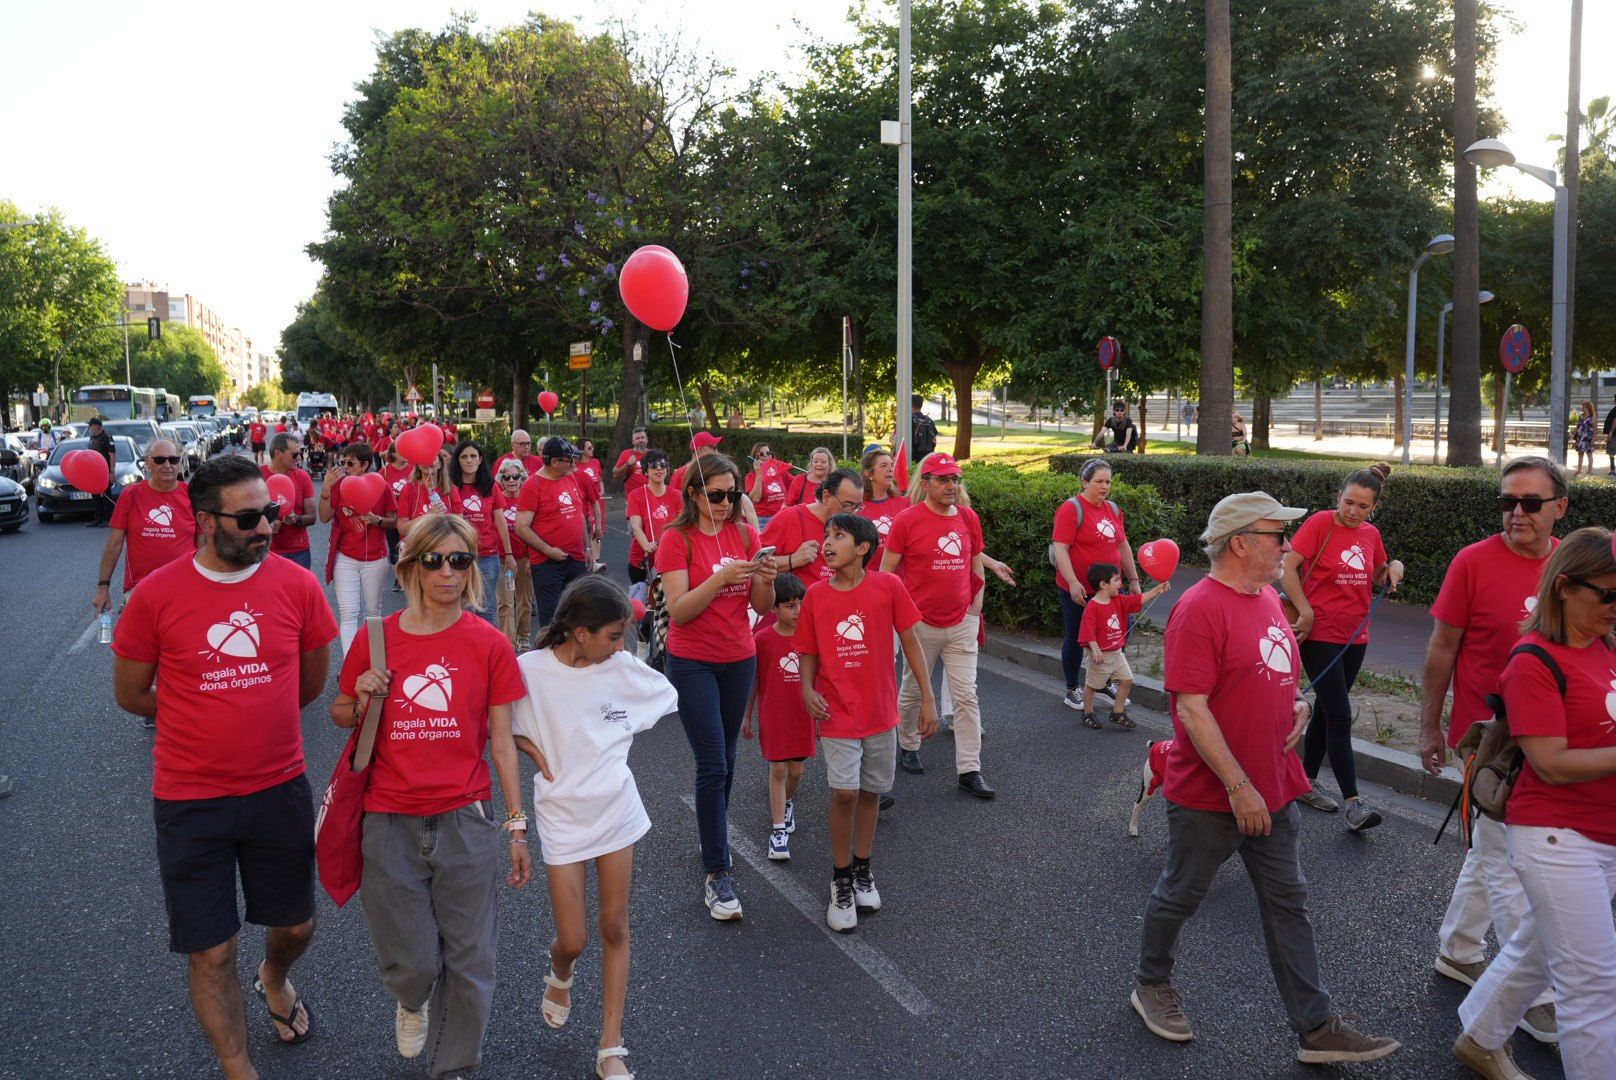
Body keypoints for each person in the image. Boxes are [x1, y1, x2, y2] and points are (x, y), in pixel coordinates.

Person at [1131, 490, 1399, 1065]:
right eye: (1278, 536)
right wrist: (1237, 786)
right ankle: (1151, 983)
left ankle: (1316, 1028)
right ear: (1239, 544)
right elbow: (1192, 710)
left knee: (1288, 905)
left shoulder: (1270, 599)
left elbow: (1276, 673)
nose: (1287, 546)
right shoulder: (1199, 608)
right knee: (1180, 894)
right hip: (1213, 795)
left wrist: (1298, 705)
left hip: (1274, 789)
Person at [110, 455, 337, 1078]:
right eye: (249, 518)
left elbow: (310, 683)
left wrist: (251, 711)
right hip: (190, 798)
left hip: (278, 787)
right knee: (211, 952)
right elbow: (131, 694)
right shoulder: (156, 595)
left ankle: (274, 975)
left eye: (270, 512)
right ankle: (239, 1067)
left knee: (296, 926)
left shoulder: (298, 586)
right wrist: (200, 710)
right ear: (205, 521)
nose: (266, 527)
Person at [332, 514, 530, 1080]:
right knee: (415, 960)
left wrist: (516, 825)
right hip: (388, 818)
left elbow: (501, 743)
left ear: (472, 568)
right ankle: (411, 997)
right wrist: (361, 695)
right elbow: (341, 712)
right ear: (410, 567)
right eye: (434, 560)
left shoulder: (490, 643)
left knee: (471, 960)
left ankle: (455, 1066)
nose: (448, 572)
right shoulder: (376, 638)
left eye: (460, 560)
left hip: (466, 817)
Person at [1450, 527, 1616, 1079]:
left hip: (1601, 831)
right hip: (1557, 836)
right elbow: (1551, 762)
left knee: (1538, 948)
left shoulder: (1605, 645)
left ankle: (1479, 1038)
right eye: (1609, 594)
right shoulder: (1532, 661)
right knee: (1592, 986)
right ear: (1565, 587)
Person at [1420, 455, 1566, 1042]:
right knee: (1510, 862)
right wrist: (1430, 728)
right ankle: (1531, 994)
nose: (1517, 513)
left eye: (1530, 502)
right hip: (1490, 741)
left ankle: (1458, 949)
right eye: (1508, 501)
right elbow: (1440, 649)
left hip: (1552, 739)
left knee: (1490, 849)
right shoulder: (1473, 562)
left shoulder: (1571, 565)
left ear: (1560, 507)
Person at [510, 576, 678, 1080]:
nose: (622, 646)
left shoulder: (620, 667)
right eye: (613, 635)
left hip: (615, 809)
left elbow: (664, 693)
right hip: (561, 814)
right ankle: (560, 970)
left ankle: (611, 1046)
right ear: (580, 632)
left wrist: (617, 725)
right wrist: (526, 744)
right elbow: (497, 722)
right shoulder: (529, 670)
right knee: (574, 939)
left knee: (615, 926)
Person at [796, 513, 935, 932]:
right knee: (844, 792)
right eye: (826, 535)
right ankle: (840, 878)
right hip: (836, 710)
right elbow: (808, 650)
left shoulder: (888, 586)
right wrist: (807, 688)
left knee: (872, 792)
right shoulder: (815, 595)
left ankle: (862, 868)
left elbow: (910, 641)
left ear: (862, 548)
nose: (827, 542)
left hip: (879, 711)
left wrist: (928, 698)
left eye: (838, 536)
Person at [654, 453, 777, 920]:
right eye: (716, 494)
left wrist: (765, 578)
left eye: (733, 493)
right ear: (694, 493)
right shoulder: (677, 539)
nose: (726, 502)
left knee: (727, 760)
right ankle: (717, 873)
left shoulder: (745, 534)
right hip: (693, 662)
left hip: (739, 658)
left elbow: (761, 606)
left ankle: (713, 837)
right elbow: (680, 609)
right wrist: (721, 577)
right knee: (711, 763)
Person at [883, 453, 1015, 799]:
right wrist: (897, 617)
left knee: (966, 696)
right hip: (919, 624)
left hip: (961, 623)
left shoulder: (968, 517)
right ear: (925, 483)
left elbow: (975, 561)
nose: (951, 485)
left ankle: (970, 769)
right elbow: (887, 573)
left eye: (955, 479)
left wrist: (976, 605)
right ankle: (908, 744)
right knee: (914, 689)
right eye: (942, 479)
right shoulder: (906, 521)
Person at [1282, 463, 1404, 831]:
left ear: (1374, 508)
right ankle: (1354, 804)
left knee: (1327, 708)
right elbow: (1287, 567)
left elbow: (1377, 573)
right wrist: (1305, 609)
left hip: (1356, 636)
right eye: (1348, 502)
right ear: (1338, 497)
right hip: (1318, 633)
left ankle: (1304, 781)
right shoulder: (1321, 523)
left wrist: (1393, 566)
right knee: (1339, 714)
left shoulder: (1371, 533)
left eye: (1363, 506)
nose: (1353, 511)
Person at [95, 438, 197, 728]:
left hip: (184, 588)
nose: (168, 465)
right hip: (141, 590)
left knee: (179, 649)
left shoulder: (192, 496)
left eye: (173, 460)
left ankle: (176, 703)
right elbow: (115, 544)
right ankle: (152, 702)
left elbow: (203, 543)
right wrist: (103, 586)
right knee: (147, 651)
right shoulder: (132, 495)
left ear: (180, 462)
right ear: (148, 463)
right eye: (160, 459)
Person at [1051, 458, 1142, 711]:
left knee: (1119, 633)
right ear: (1084, 482)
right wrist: (1072, 582)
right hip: (1080, 589)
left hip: (1111, 589)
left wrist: (1133, 579)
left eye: (1108, 482)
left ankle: (1102, 682)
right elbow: (1060, 549)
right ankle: (1072, 689)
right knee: (1076, 636)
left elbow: (1122, 545)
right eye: (1099, 481)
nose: (1104, 486)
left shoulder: (1112, 509)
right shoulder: (1071, 509)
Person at [741, 573, 812, 861]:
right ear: (774, 608)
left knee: (796, 772)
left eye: (801, 604)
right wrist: (747, 715)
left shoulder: (811, 636)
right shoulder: (762, 639)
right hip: (774, 715)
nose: (797, 611)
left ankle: (787, 802)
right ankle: (778, 831)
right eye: (790, 606)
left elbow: (820, 676)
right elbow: (755, 680)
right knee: (779, 771)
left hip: (803, 716)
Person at [320, 444, 397, 654]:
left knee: (373, 613)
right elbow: (324, 517)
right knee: (348, 613)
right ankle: (349, 664)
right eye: (343, 462)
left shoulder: (381, 485)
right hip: (345, 557)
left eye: (350, 463)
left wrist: (377, 520)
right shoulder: (339, 485)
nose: (345, 467)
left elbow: (394, 520)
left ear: (364, 465)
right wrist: (325, 490)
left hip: (375, 558)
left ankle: (377, 661)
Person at [1078, 562, 1168, 730]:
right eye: (1116, 580)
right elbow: (1087, 631)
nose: (1120, 583)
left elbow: (1136, 600)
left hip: (1117, 653)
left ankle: (1117, 712)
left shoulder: (1118, 600)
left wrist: (1157, 590)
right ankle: (1088, 713)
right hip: (1101, 655)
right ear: (1103, 585)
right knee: (1092, 685)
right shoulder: (1092, 607)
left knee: (1127, 679)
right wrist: (1095, 649)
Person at [515, 436, 590, 628]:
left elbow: (579, 514)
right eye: (570, 459)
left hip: (576, 558)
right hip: (547, 563)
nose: (574, 463)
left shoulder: (569, 477)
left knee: (581, 615)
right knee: (552, 620)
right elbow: (521, 527)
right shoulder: (533, 485)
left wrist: (587, 548)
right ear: (555, 462)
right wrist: (548, 550)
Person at [764, 467, 865, 589]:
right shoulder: (790, 517)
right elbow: (757, 562)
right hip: (801, 599)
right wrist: (792, 560)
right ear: (826, 496)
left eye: (858, 507)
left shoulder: (854, 526)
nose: (853, 513)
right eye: (847, 506)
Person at [452, 440, 517, 626]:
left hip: (488, 556)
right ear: (457, 460)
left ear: (480, 459)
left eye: (473, 456)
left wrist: (509, 553)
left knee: (486, 609)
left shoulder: (491, 486)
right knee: (464, 608)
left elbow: (501, 522)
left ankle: (486, 644)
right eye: (464, 456)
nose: (469, 460)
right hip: (460, 556)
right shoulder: (451, 487)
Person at [262, 433, 317, 570]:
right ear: (278, 453)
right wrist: (267, 525)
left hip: (298, 551)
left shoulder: (303, 477)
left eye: (300, 453)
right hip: (266, 551)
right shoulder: (257, 476)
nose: (299, 458)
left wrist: (296, 519)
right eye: (294, 454)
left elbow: (312, 517)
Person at [495, 460, 534, 650]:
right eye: (507, 477)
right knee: (506, 603)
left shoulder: (528, 499)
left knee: (525, 602)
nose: (511, 480)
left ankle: (523, 636)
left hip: (524, 559)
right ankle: (508, 644)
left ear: (522, 478)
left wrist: (532, 558)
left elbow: (535, 530)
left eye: (515, 476)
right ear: (501, 480)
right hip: (503, 561)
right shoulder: (497, 500)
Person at [626, 450, 680, 587]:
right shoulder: (635, 495)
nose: (659, 469)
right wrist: (647, 545)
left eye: (663, 465)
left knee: (666, 597)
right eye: (654, 466)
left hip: (669, 557)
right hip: (641, 560)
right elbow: (636, 527)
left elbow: (682, 526)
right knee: (640, 596)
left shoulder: (677, 495)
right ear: (645, 471)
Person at [396, 446, 464, 537]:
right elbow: (402, 529)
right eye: (423, 458)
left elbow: (459, 527)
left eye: (432, 458)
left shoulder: (451, 490)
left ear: (440, 464)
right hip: (418, 544)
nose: (427, 462)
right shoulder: (408, 490)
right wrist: (428, 516)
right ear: (418, 465)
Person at [855, 445, 900, 568]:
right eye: (884, 466)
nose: (890, 469)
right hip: (865, 575)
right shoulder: (855, 506)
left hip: (896, 577)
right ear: (869, 473)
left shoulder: (904, 504)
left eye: (891, 465)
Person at [577, 438, 608, 571]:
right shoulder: (576, 465)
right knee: (587, 529)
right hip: (584, 502)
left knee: (597, 528)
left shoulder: (595, 462)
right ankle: (587, 559)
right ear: (582, 449)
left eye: (592, 447)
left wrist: (601, 491)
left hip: (596, 501)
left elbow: (600, 480)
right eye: (589, 448)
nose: (592, 449)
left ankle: (596, 560)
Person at [744, 442, 790, 526]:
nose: (766, 456)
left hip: (782, 516)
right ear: (755, 458)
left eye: (768, 453)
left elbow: (796, 485)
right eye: (761, 454)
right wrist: (759, 475)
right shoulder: (750, 476)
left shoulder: (780, 472)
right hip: (763, 519)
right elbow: (756, 498)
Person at [85, 416, 116, 526]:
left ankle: (108, 519)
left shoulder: (107, 438)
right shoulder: (92, 438)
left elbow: (112, 455)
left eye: (90, 426)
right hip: (94, 472)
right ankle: (98, 518)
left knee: (106, 495)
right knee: (96, 495)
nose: (89, 428)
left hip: (104, 471)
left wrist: (111, 472)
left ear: (96, 426)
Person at [612, 427, 649, 505]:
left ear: (647, 439)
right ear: (633, 441)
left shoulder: (652, 454)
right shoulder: (626, 453)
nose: (640, 440)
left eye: (642, 437)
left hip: (650, 496)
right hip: (632, 497)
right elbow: (615, 474)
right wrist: (628, 464)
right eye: (637, 438)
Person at [910, 394, 938, 458]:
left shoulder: (908, 420)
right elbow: (934, 439)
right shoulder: (928, 420)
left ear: (911, 405)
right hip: (927, 457)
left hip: (912, 457)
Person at [1573, 399, 1596, 476]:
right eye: (1582, 407)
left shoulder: (1593, 416)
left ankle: (1590, 471)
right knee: (1580, 454)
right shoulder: (1581, 416)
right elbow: (1578, 426)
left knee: (1589, 454)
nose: (1582, 408)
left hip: (1588, 438)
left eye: (1584, 407)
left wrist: (1593, 440)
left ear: (1588, 408)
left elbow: (1595, 429)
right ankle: (1579, 471)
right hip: (1580, 438)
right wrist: (1575, 432)